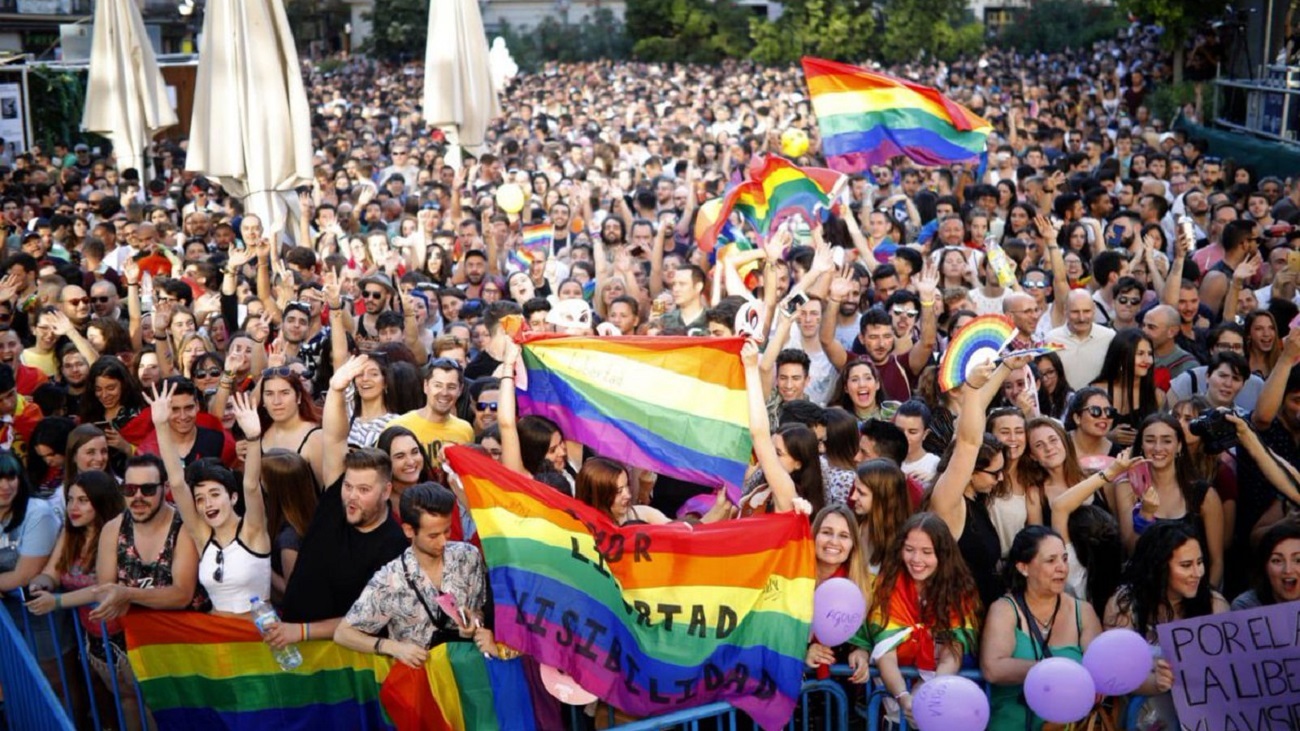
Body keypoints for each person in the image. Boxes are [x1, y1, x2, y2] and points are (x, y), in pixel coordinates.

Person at [333, 483, 493, 666]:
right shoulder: (389, 579)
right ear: (409, 530)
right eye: (433, 536)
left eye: (447, 531)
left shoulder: (469, 556)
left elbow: (479, 609)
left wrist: (475, 620)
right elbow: (343, 633)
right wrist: (393, 647)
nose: (443, 541)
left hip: (469, 671)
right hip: (419, 677)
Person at [846, 512, 981, 725]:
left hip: (940, 699)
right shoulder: (885, 587)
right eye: (909, 550)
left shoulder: (959, 592)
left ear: (943, 554)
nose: (916, 559)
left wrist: (932, 695)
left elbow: (952, 652)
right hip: (892, 696)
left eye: (927, 552)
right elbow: (885, 653)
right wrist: (903, 697)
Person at [154, 384, 270, 615]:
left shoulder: (253, 530)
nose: (207, 504)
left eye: (215, 495)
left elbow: (251, 486)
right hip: (215, 631)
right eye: (200, 499)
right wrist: (161, 425)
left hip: (256, 632)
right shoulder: (202, 535)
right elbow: (176, 482)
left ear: (233, 497)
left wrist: (253, 438)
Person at [929, 354, 1033, 607]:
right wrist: (972, 387)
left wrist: (1005, 367)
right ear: (970, 471)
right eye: (994, 473)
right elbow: (967, 441)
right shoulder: (949, 501)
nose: (1000, 478)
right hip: (960, 616)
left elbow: (970, 417)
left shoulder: (975, 497)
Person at [1104, 521, 1229, 730]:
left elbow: (1228, 668)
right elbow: (1118, 672)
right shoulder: (1125, 604)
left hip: (1205, 712)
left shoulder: (1215, 604)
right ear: (1159, 567)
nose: (1197, 573)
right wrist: (1156, 683)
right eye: (1186, 565)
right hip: (1143, 712)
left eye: (1200, 562)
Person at [23, 470, 123, 727]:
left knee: (132, 699)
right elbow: (51, 573)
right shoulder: (70, 533)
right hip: (90, 635)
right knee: (101, 695)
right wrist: (39, 584)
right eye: (70, 499)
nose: (72, 507)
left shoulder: (116, 534)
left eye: (83, 500)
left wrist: (56, 602)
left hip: (122, 635)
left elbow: (105, 588)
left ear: (101, 501)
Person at [278, 447, 407, 642]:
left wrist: (302, 631)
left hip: (337, 652)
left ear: (386, 491)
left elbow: (367, 616)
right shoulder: (335, 502)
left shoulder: (395, 548)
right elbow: (334, 438)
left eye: (364, 490)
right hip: (287, 639)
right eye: (348, 486)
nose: (352, 496)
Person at [982, 526, 1102, 731]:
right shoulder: (1004, 609)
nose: (1062, 568)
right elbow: (993, 669)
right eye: (1051, 560)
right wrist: (1054, 672)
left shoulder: (1083, 612)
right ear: (1024, 568)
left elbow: (1100, 673)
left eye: (1064, 559)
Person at [1116, 413, 1226, 588]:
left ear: (1179, 445)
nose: (1158, 448)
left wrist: (1207, 597)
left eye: (1167, 441)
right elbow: (1132, 550)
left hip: (1194, 591)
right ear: (1141, 445)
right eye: (1150, 440)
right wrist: (1145, 514)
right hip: (1145, 590)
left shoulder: (1204, 495)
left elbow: (1217, 562)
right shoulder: (1127, 487)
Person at [804, 505, 873, 682]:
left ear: (853, 544)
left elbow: (866, 638)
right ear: (814, 535)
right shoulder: (793, 580)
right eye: (826, 532)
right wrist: (803, 651)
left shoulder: (863, 586)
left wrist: (862, 653)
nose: (834, 541)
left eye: (844, 536)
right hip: (795, 687)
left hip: (842, 686)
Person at [387, 358, 475, 455]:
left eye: (451, 387)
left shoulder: (465, 430)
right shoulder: (399, 426)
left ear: (460, 390)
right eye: (437, 385)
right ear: (426, 386)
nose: (444, 393)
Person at [849, 458, 912, 575]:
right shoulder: (853, 524)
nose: (853, 497)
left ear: (882, 497)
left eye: (861, 493)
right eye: (854, 488)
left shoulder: (903, 541)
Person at [575, 457, 671, 525]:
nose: (628, 495)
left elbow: (675, 532)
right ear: (597, 494)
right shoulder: (580, 530)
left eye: (627, 486)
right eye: (618, 491)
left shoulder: (646, 516)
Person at [1231, 520, 1300, 609]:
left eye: (1298, 560)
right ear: (1265, 567)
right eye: (1277, 561)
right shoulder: (1246, 606)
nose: (1288, 570)